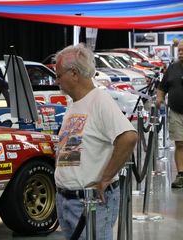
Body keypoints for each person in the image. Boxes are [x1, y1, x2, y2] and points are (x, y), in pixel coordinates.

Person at [54, 43, 137, 240]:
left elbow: (129, 136)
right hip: (68, 200)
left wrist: (106, 177)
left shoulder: (100, 99)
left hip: (89, 203)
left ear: (74, 73)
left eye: (59, 75)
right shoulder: (75, 103)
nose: (57, 81)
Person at [156, 40, 183, 188]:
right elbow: (162, 87)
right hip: (176, 112)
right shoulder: (172, 68)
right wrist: (159, 98)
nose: (180, 53)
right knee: (179, 143)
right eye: (179, 51)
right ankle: (181, 175)